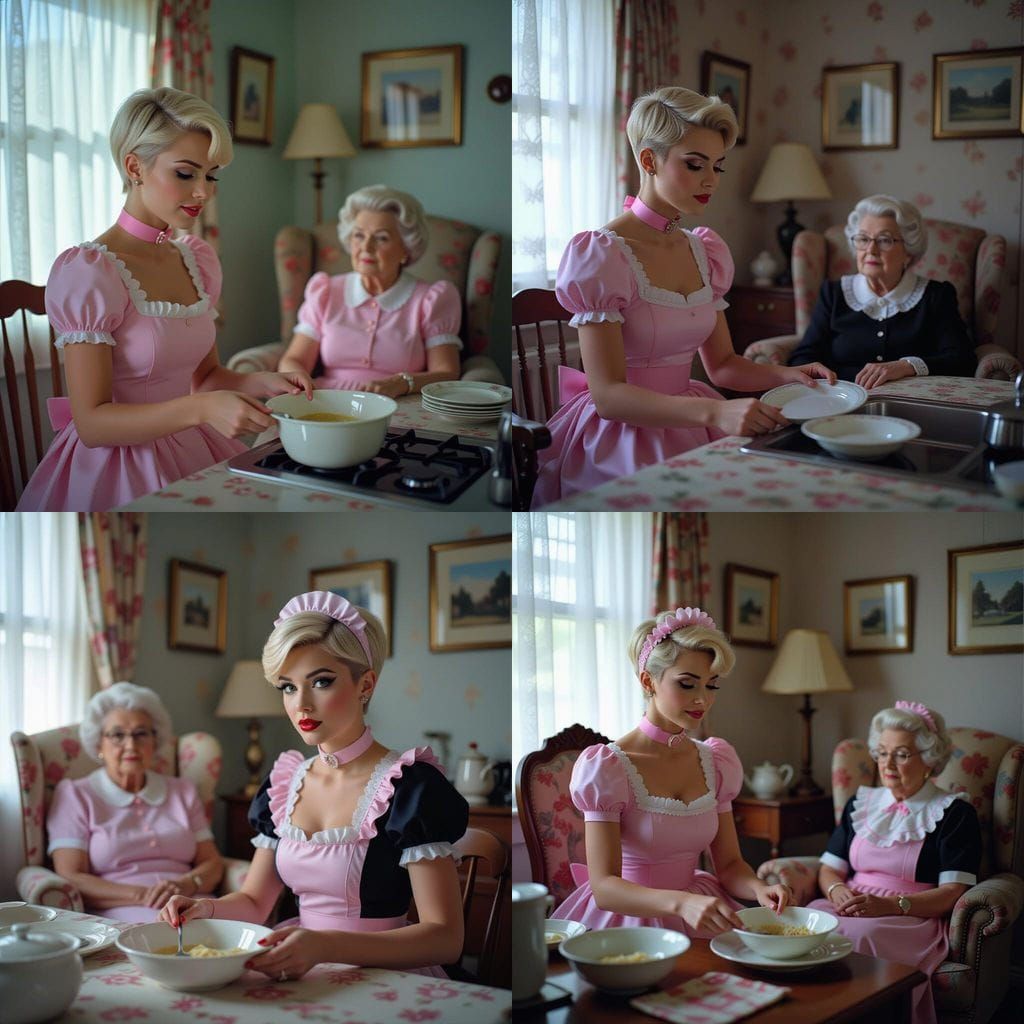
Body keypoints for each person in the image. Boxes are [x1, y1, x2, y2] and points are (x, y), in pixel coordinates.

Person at [532, 86, 835, 505]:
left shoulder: (704, 250)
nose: (710, 180)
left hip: (693, 420)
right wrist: (715, 412)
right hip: (621, 437)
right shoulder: (601, 255)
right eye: (694, 165)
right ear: (649, 160)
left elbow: (724, 366)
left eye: (717, 167)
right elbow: (607, 397)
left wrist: (791, 375)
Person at [16, 87, 313, 512]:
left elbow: (207, 377)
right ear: (134, 167)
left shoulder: (197, 259)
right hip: (115, 467)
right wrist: (201, 409)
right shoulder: (88, 272)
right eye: (185, 173)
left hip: (193, 445)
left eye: (211, 175)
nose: (203, 193)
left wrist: (265, 383)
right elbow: (93, 423)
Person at [161, 591, 468, 981]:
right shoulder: (284, 783)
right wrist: (205, 907)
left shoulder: (412, 787)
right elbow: (256, 902)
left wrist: (326, 945)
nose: (301, 704)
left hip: (391, 978)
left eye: (321, 682)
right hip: (300, 968)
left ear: (366, 684)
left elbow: (445, 939)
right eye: (288, 687)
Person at [555, 607, 792, 937]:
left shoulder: (716, 762)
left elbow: (729, 865)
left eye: (711, 686)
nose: (702, 700)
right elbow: (605, 887)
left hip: (700, 909)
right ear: (648, 680)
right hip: (629, 919)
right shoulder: (607, 768)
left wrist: (757, 888)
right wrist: (680, 904)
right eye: (687, 684)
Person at [808, 701, 981, 1024]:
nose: (887, 764)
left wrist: (888, 906)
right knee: (812, 924)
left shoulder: (954, 813)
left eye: (901, 754)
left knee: (864, 934)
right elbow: (830, 867)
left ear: (928, 760)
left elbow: (953, 892)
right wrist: (835, 891)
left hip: (910, 914)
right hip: (851, 903)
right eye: (882, 752)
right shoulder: (861, 803)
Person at [47, 683, 224, 923]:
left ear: (155, 741)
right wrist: (141, 895)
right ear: (99, 744)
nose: (131, 745)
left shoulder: (183, 791)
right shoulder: (75, 794)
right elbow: (71, 875)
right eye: (118, 735)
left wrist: (186, 884)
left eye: (141, 734)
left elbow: (212, 862)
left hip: (191, 902)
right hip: (124, 912)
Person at [277, 184, 462, 399]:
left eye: (381, 237)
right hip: (326, 402)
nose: (366, 246)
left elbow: (446, 373)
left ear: (406, 248)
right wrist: (301, 384)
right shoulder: (325, 291)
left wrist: (400, 383)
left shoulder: (432, 299)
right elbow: (294, 360)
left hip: (398, 406)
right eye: (359, 235)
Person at [788, 195, 977, 387]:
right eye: (863, 239)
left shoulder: (936, 296)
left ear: (908, 251)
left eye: (884, 240)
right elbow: (802, 359)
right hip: (843, 401)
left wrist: (906, 366)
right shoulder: (834, 293)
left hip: (912, 403)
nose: (871, 249)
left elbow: (962, 360)